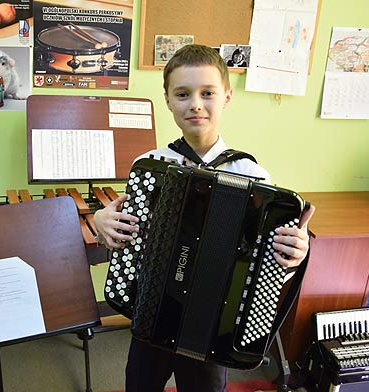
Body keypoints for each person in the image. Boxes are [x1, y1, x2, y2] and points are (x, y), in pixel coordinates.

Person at [93, 44, 315, 392]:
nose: (195, 103)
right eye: (183, 94)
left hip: (214, 326)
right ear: (167, 100)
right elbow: (123, 234)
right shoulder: (153, 166)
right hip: (153, 311)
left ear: (226, 96)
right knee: (139, 384)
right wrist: (102, 223)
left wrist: (294, 252)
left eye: (207, 93)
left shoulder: (253, 175)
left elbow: (273, 259)